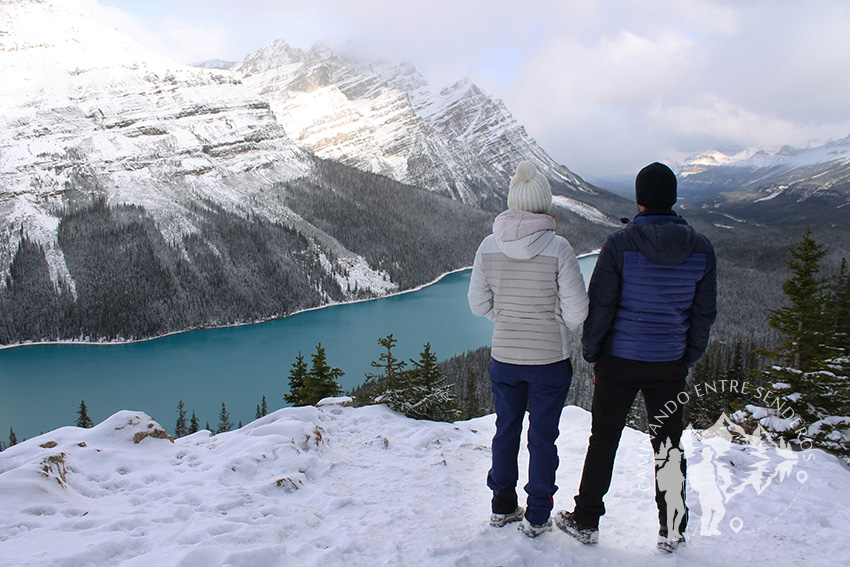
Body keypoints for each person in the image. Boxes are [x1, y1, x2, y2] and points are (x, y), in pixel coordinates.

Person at [555, 162, 717, 553]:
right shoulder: (700, 248)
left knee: (604, 439)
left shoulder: (620, 244)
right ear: (673, 199)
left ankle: (587, 519)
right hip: (669, 364)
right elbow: (703, 313)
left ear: (639, 200)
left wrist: (592, 352)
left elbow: (602, 306)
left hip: (619, 360)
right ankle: (672, 529)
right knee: (669, 444)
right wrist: (686, 357)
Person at [468, 160, 589, 538]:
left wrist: (505, 318)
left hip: (504, 357)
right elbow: (577, 311)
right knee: (542, 437)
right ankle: (537, 515)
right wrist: (551, 323)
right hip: (549, 361)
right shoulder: (559, 247)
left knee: (505, 430)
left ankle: (502, 506)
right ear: (544, 202)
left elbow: (478, 303)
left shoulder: (489, 245)